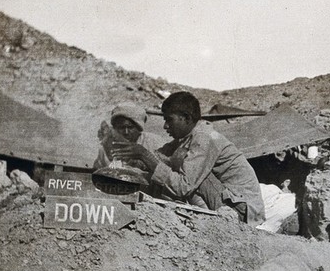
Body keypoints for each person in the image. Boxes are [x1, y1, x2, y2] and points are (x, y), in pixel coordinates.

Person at [112, 91, 265, 225]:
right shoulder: (186, 138)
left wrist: (144, 155)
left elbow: (183, 186)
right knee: (169, 166)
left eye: (169, 120)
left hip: (241, 210)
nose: (165, 126)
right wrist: (133, 161)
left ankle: (208, 224)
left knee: (188, 175)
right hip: (227, 199)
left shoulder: (204, 138)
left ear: (186, 118)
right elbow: (159, 156)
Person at [93, 102, 167, 170]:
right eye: (121, 127)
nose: (126, 132)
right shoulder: (107, 147)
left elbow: (166, 172)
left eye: (130, 127)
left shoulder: (154, 143)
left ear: (139, 128)